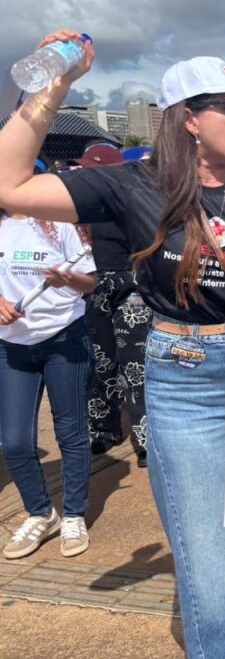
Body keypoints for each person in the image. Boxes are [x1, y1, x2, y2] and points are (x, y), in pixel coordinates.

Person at [0, 31, 225, 659]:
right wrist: (51, 89)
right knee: (216, 579)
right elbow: (10, 185)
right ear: (189, 119)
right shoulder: (133, 184)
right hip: (188, 383)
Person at [0, 194, 96, 560]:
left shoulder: (58, 223)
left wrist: (68, 278)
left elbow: (89, 283)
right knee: (14, 442)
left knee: (71, 432)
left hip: (64, 340)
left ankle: (73, 514)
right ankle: (41, 512)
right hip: (11, 346)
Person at [69, 143, 153, 465]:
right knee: (101, 363)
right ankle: (104, 429)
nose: (83, 174)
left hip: (130, 288)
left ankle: (145, 438)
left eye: (90, 169)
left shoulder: (132, 205)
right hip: (92, 289)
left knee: (135, 365)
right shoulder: (74, 209)